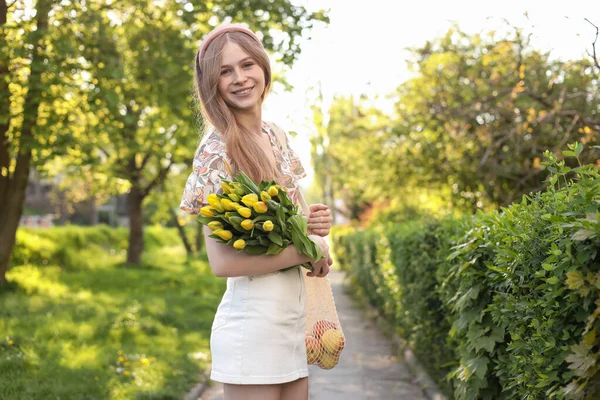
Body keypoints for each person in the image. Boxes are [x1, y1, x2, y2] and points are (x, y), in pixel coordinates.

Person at [179, 23, 333, 400]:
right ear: (211, 85)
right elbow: (223, 264)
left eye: (247, 65)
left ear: (263, 68)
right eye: (225, 71)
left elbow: (297, 225)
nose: (240, 78)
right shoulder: (216, 152)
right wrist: (303, 251)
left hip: (293, 323)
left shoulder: (275, 136)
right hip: (253, 327)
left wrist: (314, 230)